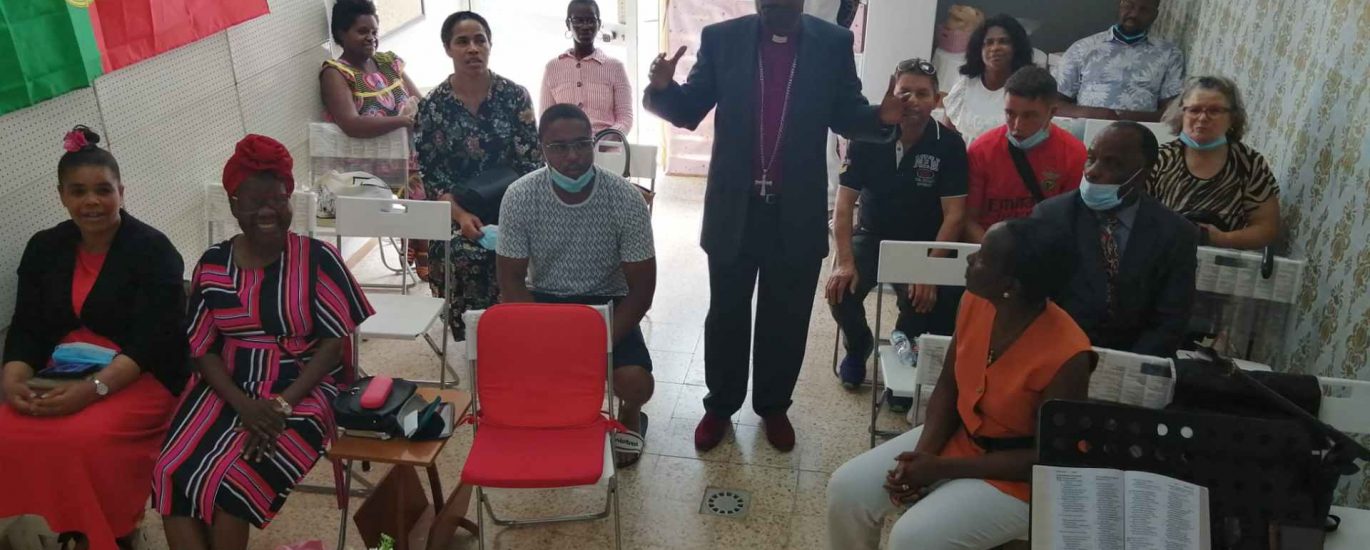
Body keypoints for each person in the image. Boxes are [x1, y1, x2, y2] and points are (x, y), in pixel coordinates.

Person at [643, 0, 904, 452]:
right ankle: (720, 405)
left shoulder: (833, 43)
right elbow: (689, 110)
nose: (774, 8)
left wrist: (880, 119)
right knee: (727, 314)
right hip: (735, 208)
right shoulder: (723, 39)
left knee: (786, 317)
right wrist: (663, 88)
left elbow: (846, 113)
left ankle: (773, 405)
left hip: (796, 209)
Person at [153, 135, 374, 550]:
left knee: (235, 480)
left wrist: (281, 405)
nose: (268, 210)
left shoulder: (318, 259)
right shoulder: (213, 265)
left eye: (279, 198)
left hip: (304, 387)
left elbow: (331, 347)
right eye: (254, 201)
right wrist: (245, 406)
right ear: (235, 205)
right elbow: (202, 351)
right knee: (170, 470)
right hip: (229, 387)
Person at [826, 218, 1094, 550]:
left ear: (1010, 285)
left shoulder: (1069, 355)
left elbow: (1045, 458)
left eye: (982, 258)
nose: (970, 260)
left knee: (912, 539)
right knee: (847, 490)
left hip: (1020, 481)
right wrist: (921, 457)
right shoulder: (977, 301)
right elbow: (949, 386)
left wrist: (941, 468)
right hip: (960, 439)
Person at [0, 126, 186, 550]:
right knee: (7, 430)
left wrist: (94, 389)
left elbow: (153, 341)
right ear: (61, 195)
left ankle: (112, 534)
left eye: (103, 190)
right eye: (78, 191)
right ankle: (56, 529)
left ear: (121, 191)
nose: (91, 202)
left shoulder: (153, 250)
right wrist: (12, 380)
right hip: (61, 371)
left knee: (84, 439)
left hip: (140, 375)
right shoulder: (44, 247)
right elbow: (27, 326)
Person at [496, 104, 656, 468]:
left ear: (594, 143)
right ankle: (555, 417)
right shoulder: (520, 196)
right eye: (559, 147)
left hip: (608, 303)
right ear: (541, 149)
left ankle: (631, 414)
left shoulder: (626, 198)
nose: (573, 156)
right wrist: (548, 339)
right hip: (543, 303)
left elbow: (642, 290)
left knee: (636, 383)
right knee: (518, 385)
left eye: (582, 144)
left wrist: (596, 343)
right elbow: (510, 281)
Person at [827, 58, 967, 391]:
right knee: (839, 292)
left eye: (923, 93)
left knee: (924, 303)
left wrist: (930, 271)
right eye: (905, 92)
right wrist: (844, 263)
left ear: (936, 99)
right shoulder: (867, 136)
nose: (913, 101)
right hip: (873, 237)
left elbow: (955, 215)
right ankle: (859, 345)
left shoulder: (949, 145)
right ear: (893, 93)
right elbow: (844, 206)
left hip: (923, 244)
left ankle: (904, 353)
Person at [414, 11, 544, 337]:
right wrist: (460, 215)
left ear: (489, 45)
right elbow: (432, 175)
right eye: (462, 41)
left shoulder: (515, 97)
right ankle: (479, 337)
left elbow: (531, 162)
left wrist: (513, 213)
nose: (472, 48)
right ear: (448, 49)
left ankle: (521, 331)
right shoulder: (433, 107)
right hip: (459, 211)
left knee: (519, 248)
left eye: (479, 40)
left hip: (514, 205)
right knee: (462, 252)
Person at [1032, 121, 1198, 357]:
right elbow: (1033, 303)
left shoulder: (1175, 233)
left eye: (1113, 163)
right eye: (1091, 158)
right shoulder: (1051, 216)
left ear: (1143, 175)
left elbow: (1171, 320)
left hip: (1138, 364)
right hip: (1057, 356)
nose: (1092, 171)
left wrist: (1129, 367)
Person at [320, 0, 430, 277]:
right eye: (362, 31)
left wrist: (415, 116)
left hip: (410, 154)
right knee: (423, 181)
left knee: (440, 170)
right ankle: (427, 250)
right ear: (342, 34)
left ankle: (426, 245)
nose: (371, 38)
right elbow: (351, 124)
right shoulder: (336, 73)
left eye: (374, 31)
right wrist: (402, 122)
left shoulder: (387, 62)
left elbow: (420, 100)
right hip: (368, 164)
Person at [1149, 76, 1280, 249]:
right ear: (1182, 114)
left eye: (1214, 110)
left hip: (1220, 264)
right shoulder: (1158, 159)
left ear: (1232, 117)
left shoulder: (1249, 163)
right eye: (1194, 110)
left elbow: (1267, 228)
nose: (1203, 118)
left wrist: (1220, 239)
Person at [965, 66, 1086, 243]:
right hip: (989, 250)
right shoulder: (981, 150)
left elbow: (1069, 223)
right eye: (1010, 114)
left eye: (1029, 116)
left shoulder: (1074, 154)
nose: (1017, 125)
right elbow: (968, 220)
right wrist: (993, 254)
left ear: (1052, 112)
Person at [1053, 0, 1184, 122]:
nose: (1134, 14)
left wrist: (1125, 119)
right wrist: (1097, 115)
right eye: (1129, 5)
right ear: (1120, 5)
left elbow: (1172, 111)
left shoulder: (1169, 54)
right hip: (1085, 129)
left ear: (1154, 15)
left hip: (1143, 134)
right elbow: (1055, 103)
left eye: (1144, 10)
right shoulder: (1082, 48)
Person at [539, 0, 633, 135]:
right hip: (567, 150)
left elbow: (625, 119)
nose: (585, 26)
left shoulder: (615, 68)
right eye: (578, 20)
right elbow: (546, 120)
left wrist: (603, 140)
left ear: (599, 24)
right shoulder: (552, 68)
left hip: (606, 150)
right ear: (568, 24)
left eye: (591, 20)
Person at [942, 14, 1034, 142]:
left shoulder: (1027, 91)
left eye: (1003, 41)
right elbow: (945, 138)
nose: (995, 48)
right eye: (989, 43)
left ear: (1016, 48)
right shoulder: (965, 86)